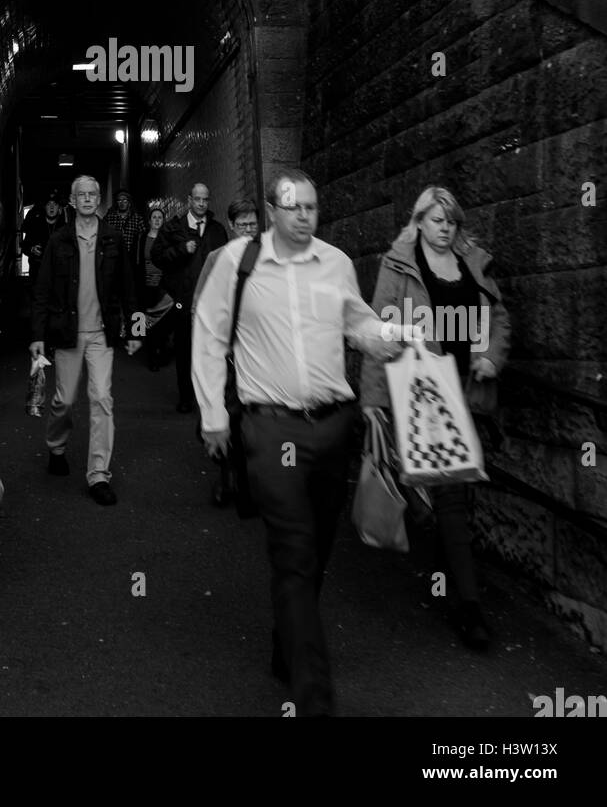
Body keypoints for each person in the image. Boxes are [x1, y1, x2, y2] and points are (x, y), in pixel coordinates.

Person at [193, 170, 422, 717]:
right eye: (293, 207)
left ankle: (287, 641)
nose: (303, 216)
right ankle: (315, 698)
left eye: (312, 208)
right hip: (270, 429)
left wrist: (392, 337)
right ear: (273, 210)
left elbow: (359, 326)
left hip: (333, 426)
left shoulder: (337, 264)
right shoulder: (236, 264)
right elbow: (207, 335)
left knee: (318, 549)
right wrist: (212, 414)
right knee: (294, 551)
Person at [360, 185, 511, 651]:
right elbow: (380, 329)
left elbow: (497, 317)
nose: (445, 229)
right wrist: (372, 400)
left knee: (454, 497)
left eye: (451, 221)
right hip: (423, 396)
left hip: (469, 392)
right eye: (437, 220)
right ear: (419, 220)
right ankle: (469, 607)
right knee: (450, 497)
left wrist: (489, 355)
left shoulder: (473, 263)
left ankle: (449, 570)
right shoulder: (399, 264)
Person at [30, 175, 139, 506]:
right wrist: (36, 336)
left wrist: (137, 329)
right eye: (83, 195)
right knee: (64, 399)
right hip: (67, 333)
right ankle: (56, 446)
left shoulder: (113, 238)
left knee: (101, 397)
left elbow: (129, 286)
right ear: (73, 201)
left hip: (101, 335)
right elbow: (42, 290)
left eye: (94, 194)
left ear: (97, 200)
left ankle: (98, 474)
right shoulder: (60, 240)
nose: (89, 198)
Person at [192, 198, 261, 509]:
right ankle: (228, 478)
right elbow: (199, 306)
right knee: (229, 417)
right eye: (242, 224)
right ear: (232, 227)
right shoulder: (217, 258)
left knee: (257, 423)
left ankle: (254, 485)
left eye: (252, 224)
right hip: (229, 356)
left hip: (261, 356)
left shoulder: (270, 258)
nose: (248, 229)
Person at [152, 183, 228, 413]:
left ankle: (208, 397)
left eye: (205, 199)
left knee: (210, 353)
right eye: (197, 199)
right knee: (184, 352)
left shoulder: (217, 230)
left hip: (210, 303)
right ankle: (186, 397)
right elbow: (157, 256)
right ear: (189, 200)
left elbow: (226, 263)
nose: (202, 203)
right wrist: (181, 250)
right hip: (183, 301)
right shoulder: (173, 228)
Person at [139, 206, 173, 371]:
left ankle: (160, 353)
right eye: (154, 217)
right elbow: (137, 261)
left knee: (161, 322)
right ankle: (150, 355)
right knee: (147, 321)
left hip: (163, 286)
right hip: (146, 285)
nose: (157, 220)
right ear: (149, 220)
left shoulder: (167, 239)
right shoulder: (142, 238)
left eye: (160, 217)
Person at [103, 189, 147, 271]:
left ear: (129, 203)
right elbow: (102, 235)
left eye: (124, 200)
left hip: (130, 258)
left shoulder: (137, 218)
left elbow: (143, 238)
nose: (122, 203)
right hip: (113, 257)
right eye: (119, 200)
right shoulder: (109, 218)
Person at [22, 191, 66, 271]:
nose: (52, 207)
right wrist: (32, 249)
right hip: (38, 270)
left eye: (55, 204)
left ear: (59, 208)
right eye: (49, 204)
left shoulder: (64, 228)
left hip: (57, 272)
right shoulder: (35, 225)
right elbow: (24, 246)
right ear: (45, 207)